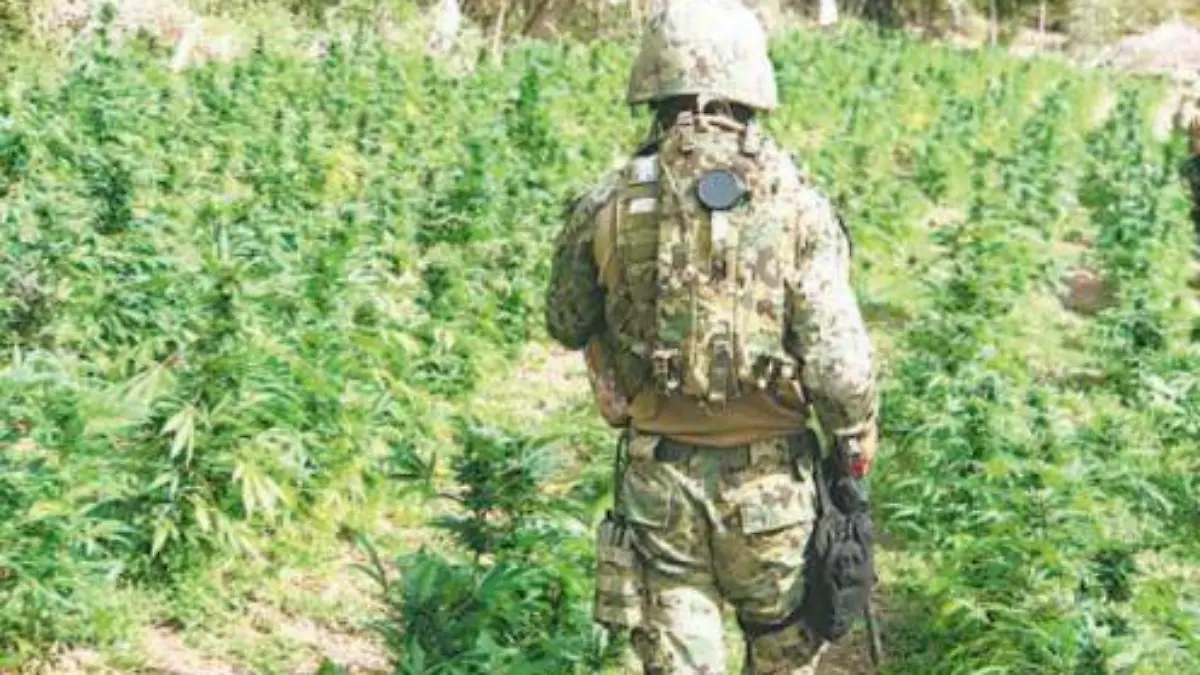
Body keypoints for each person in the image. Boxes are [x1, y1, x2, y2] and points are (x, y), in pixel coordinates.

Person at [545, 1, 879, 672]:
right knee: (783, 651)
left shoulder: (608, 201)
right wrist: (855, 436)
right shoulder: (797, 204)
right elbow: (840, 367)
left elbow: (566, 319)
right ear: (752, 87)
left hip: (658, 489)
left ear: (654, 84)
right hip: (772, 495)